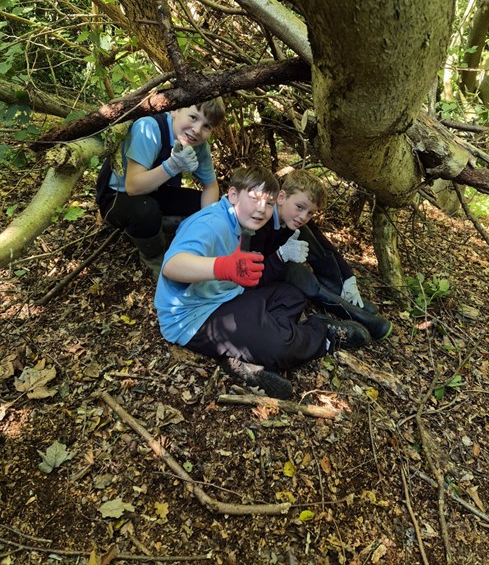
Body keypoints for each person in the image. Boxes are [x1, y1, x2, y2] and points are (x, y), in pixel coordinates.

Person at [154, 165, 371, 399]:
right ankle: (324, 336)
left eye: (268, 203)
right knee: (280, 345)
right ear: (233, 194)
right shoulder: (212, 223)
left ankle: (247, 356)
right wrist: (225, 268)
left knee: (292, 296)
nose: (261, 209)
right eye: (255, 198)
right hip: (193, 317)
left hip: (226, 296)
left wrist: (346, 275)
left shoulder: (239, 222)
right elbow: (171, 266)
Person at [252, 169, 393, 341]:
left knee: (306, 234)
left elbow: (323, 243)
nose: (303, 216)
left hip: (273, 268)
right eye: (299, 207)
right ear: (281, 197)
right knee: (296, 272)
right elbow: (252, 275)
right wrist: (281, 256)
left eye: (310, 213)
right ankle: (355, 314)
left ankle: (339, 290)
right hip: (258, 281)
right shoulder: (259, 220)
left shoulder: (293, 219)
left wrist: (348, 277)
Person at [96, 98, 226, 278]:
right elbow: (132, 186)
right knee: (145, 211)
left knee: (208, 206)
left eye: (207, 126)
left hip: (156, 192)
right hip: (117, 196)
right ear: (175, 110)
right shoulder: (149, 128)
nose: (197, 130)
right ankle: (153, 254)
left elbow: (211, 186)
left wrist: (207, 225)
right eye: (193, 118)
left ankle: (162, 225)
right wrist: (172, 166)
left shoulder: (199, 146)